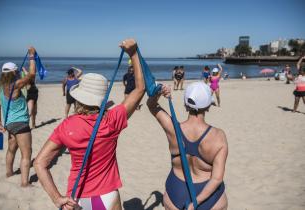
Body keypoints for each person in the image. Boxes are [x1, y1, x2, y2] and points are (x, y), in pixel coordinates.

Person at [34, 39, 145, 210]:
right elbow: (139, 89)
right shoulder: (112, 119)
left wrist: (57, 199)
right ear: (101, 100)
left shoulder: (67, 126)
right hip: (107, 195)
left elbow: (40, 163)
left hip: (76, 197)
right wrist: (134, 53)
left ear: (79, 97)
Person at [147, 82, 228, 210]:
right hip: (210, 197)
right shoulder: (218, 136)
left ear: (186, 104)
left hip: (176, 192)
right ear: (208, 106)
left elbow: (151, 105)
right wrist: (194, 204)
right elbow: (217, 179)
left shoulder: (173, 128)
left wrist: (159, 91)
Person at [0, 47, 37, 187]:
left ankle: (9, 173)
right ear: (13, 72)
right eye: (16, 71)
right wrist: (31, 56)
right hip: (21, 124)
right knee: (26, 153)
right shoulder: (16, 85)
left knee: (11, 149)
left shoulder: (1, 87)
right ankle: (25, 183)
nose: (18, 72)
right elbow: (31, 74)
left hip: (9, 124)